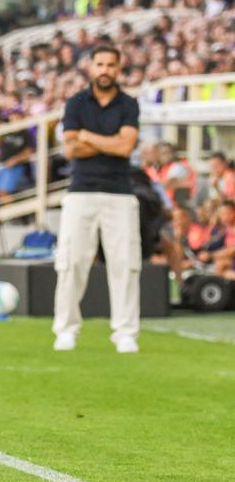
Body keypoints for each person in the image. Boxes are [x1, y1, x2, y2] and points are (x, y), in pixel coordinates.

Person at [53, 44, 141, 354]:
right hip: (81, 191)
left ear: (119, 68)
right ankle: (66, 330)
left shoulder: (129, 104)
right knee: (72, 262)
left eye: (111, 65)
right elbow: (70, 149)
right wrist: (109, 141)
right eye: (100, 64)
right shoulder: (76, 103)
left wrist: (88, 137)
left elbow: (125, 148)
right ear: (91, 67)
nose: (105, 70)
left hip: (120, 192)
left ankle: (125, 332)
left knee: (126, 264)